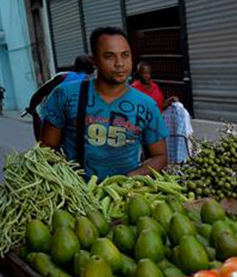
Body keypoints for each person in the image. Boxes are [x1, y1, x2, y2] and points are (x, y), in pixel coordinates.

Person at [40, 27, 168, 181]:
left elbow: (160, 156)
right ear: (94, 60)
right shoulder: (65, 95)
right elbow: (45, 151)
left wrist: (128, 179)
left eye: (125, 55)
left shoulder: (146, 104)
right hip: (76, 193)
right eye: (109, 56)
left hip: (125, 196)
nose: (119, 63)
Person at [26, 55, 95, 140]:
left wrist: (32, 109)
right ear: (91, 68)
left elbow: (39, 94)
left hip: (59, 119)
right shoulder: (94, 81)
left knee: (44, 144)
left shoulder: (63, 77)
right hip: (83, 121)